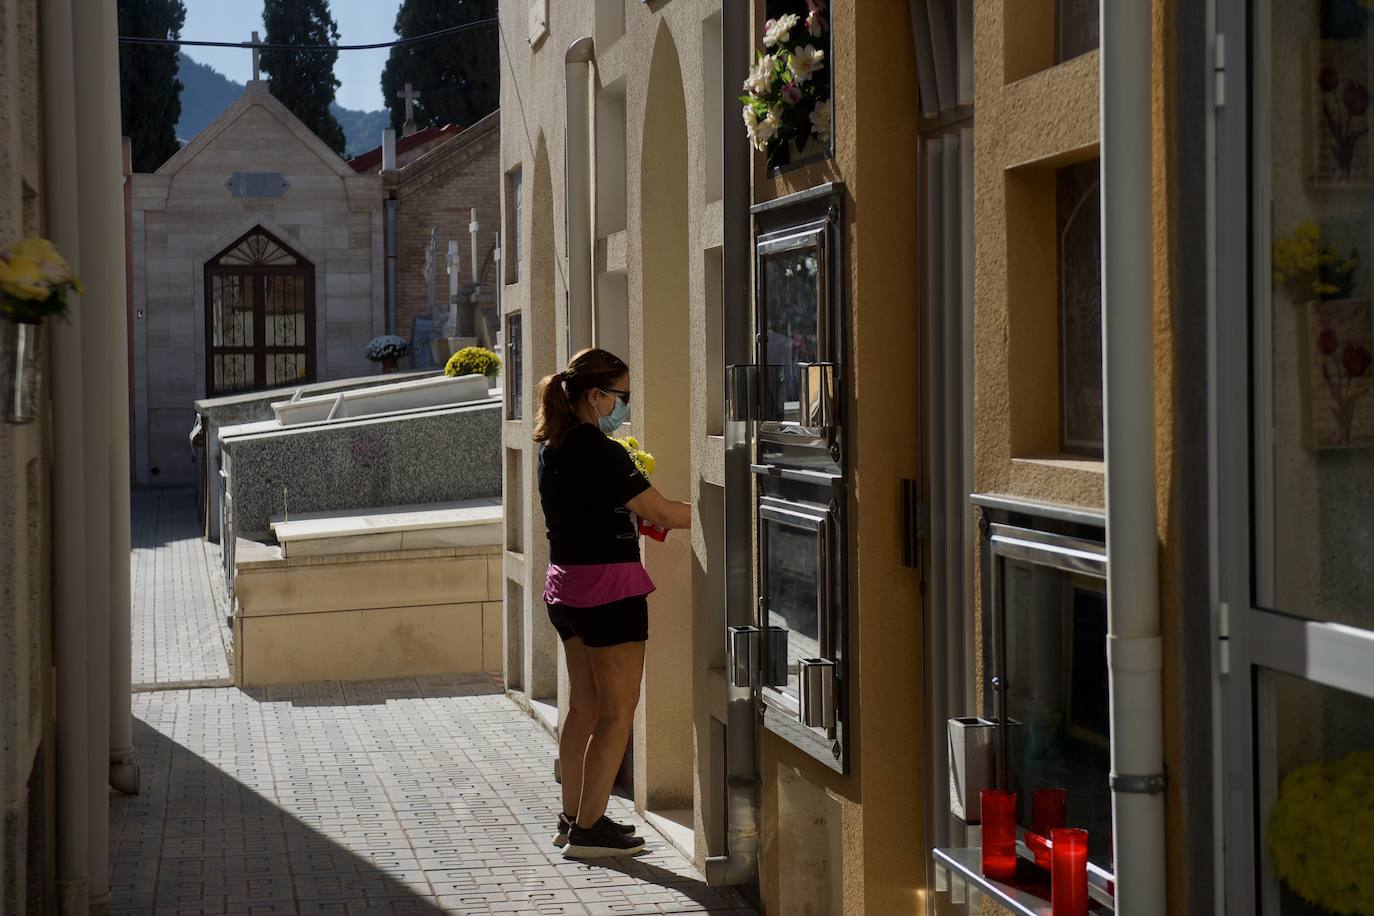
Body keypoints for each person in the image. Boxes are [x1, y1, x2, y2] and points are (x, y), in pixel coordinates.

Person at [534, 347, 691, 859]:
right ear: (595, 396)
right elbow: (663, 511)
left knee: (583, 707)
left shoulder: (552, 446)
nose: (624, 406)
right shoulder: (602, 452)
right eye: (621, 396)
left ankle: (572, 817)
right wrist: (726, 501)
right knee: (617, 712)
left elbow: (593, 511)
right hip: (610, 590)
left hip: (566, 587)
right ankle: (591, 830)